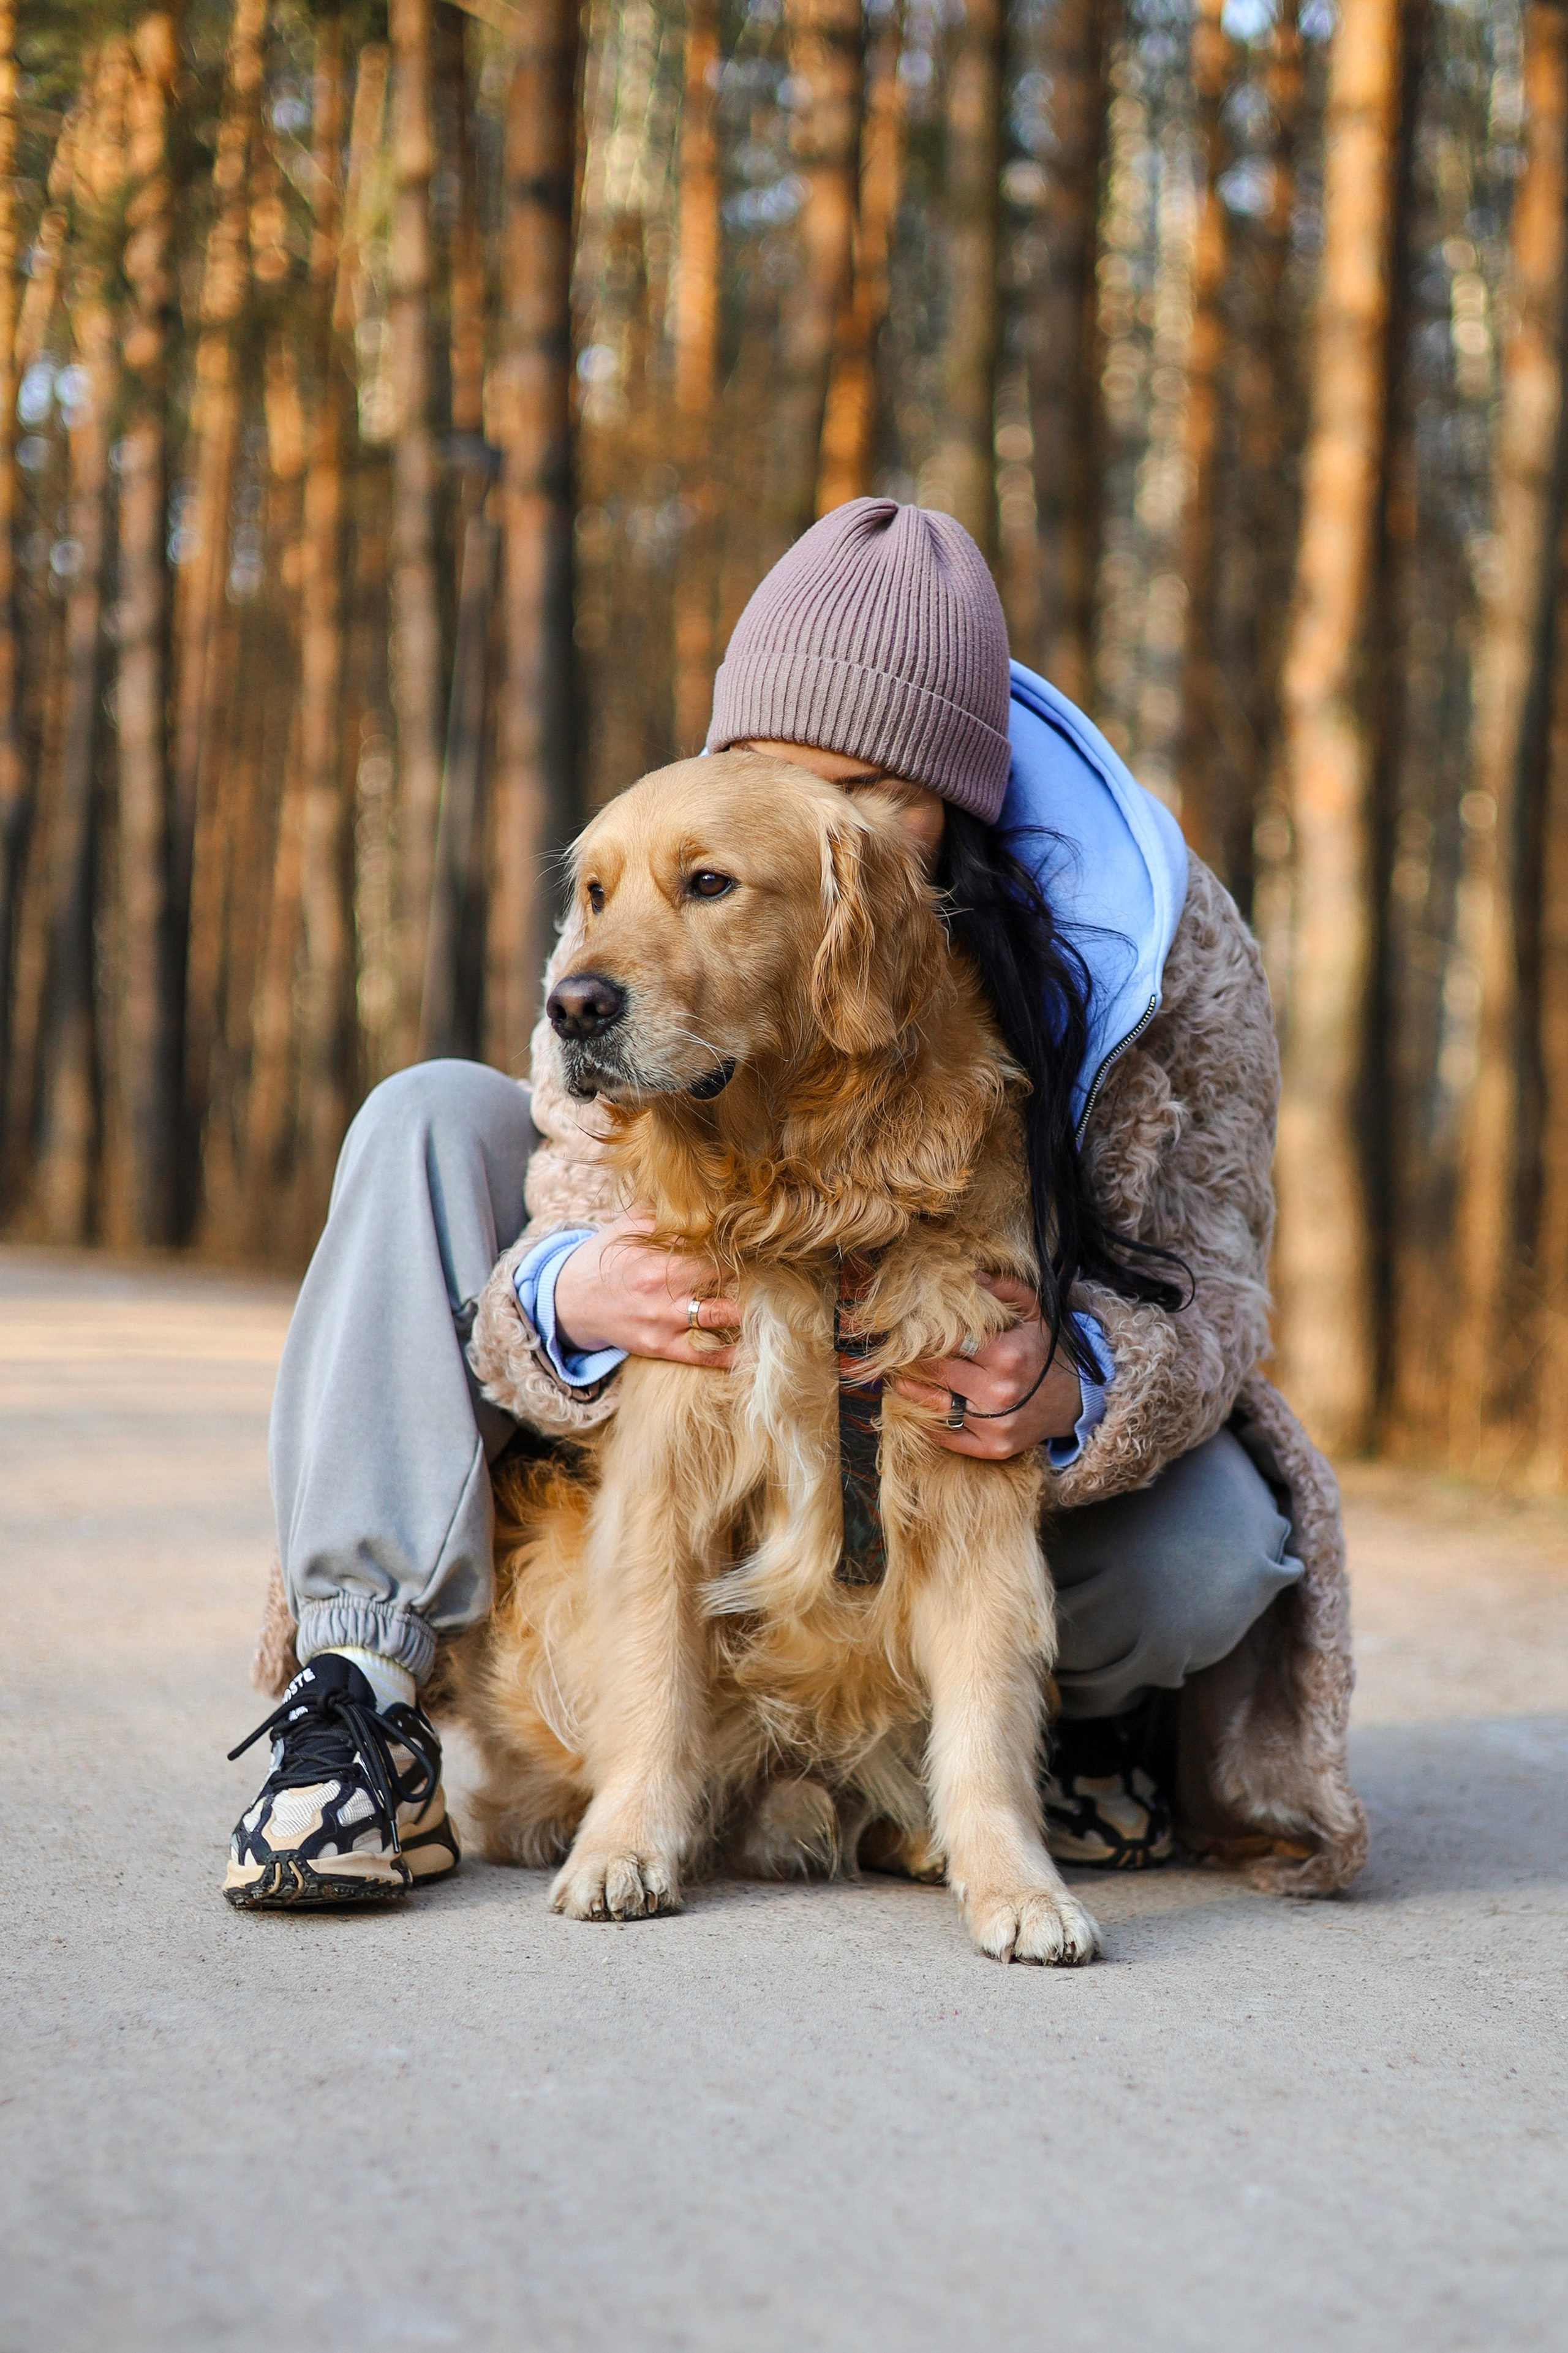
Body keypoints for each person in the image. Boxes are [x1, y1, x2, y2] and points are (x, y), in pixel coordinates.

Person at [225, 499, 1366, 1911]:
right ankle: (361, 1685)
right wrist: (563, 1293)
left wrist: (1078, 1383)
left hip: (998, 1392)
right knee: (416, 1115)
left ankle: (1044, 1741)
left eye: (868, 783)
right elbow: (572, 1172)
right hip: (717, 1289)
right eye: (767, 769)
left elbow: (1219, 1285)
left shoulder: (1162, 940)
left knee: (1203, 1560)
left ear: (956, 794)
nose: (816, 815)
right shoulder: (667, 860)